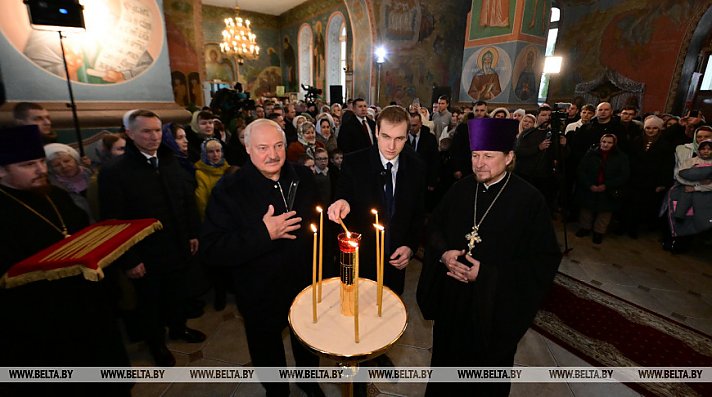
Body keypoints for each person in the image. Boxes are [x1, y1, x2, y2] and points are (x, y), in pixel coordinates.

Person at [416, 118, 561, 396]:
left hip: (493, 312)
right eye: (474, 155)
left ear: (509, 157)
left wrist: (486, 274)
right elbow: (435, 227)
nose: (479, 163)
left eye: (488, 156)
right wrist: (444, 254)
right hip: (453, 305)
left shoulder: (530, 201)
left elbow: (543, 261)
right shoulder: (460, 189)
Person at [0, 125, 131, 396]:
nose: (41, 169)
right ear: (1, 170)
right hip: (44, 318)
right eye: (28, 164)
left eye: (39, 161)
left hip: (89, 304)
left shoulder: (57, 195)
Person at [200, 119, 323, 397]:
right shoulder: (229, 189)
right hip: (259, 292)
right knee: (266, 348)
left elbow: (318, 227)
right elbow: (212, 248)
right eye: (263, 147)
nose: (273, 154)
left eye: (279, 145)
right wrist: (263, 233)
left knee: (306, 340)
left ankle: (309, 381)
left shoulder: (302, 177)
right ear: (247, 148)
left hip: (304, 283)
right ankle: (276, 390)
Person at [99, 110, 205, 367]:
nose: (153, 136)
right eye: (146, 131)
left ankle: (178, 329)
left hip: (177, 244)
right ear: (130, 134)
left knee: (178, 293)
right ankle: (156, 343)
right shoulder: (115, 171)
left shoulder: (170, 160)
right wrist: (129, 259)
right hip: (145, 253)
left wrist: (192, 233)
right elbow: (114, 221)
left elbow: (186, 200)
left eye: (157, 130)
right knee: (150, 303)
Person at [328, 105, 426, 295]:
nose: (391, 146)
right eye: (386, 137)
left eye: (399, 139)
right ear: (376, 131)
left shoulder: (417, 167)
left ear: (407, 136)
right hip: (360, 260)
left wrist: (410, 247)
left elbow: (418, 213)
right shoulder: (353, 163)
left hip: (395, 261)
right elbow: (342, 196)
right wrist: (342, 202)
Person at [575, 134, 630, 244]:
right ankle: (585, 228)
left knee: (604, 213)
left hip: (608, 189)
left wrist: (607, 185)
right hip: (590, 186)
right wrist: (589, 185)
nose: (606, 144)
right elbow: (581, 170)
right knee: (586, 210)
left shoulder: (621, 157)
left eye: (609, 142)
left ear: (614, 144)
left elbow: (623, 175)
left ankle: (598, 232)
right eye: (604, 142)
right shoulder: (591, 154)